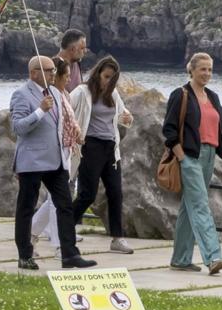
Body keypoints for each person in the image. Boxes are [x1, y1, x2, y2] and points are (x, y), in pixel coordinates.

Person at [162, 52, 222, 275]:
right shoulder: (180, 95)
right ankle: (213, 257)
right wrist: (181, 157)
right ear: (192, 70)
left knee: (189, 209)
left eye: (210, 69)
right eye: (202, 69)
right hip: (189, 157)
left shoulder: (213, 97)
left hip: (210, 157)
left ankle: (180, 259)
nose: (207, 73)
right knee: (200, 205)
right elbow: (168, 129)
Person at [11, 55, 95, 270]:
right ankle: (25, 254)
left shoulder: (55, 93)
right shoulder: (21, 94)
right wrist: (40, 111)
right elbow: (18, 128)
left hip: (56, 161)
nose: (52, 74)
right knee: (26, 207)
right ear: (33, 73)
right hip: (32, 160)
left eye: (52, 70)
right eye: (47, 70)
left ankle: (69, 254)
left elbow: (60, 126)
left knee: (65, 205)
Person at [71, 55, 135, 254]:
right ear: (98, 73)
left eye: (112, 79)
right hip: (91, 146)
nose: (108, 81)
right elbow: (66, 110)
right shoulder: (82, 92)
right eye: (106, 76)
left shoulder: (113, 94)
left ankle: (117, 238)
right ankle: (65, 225)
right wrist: (75, 133)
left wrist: (127, 117)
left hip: (110, 148)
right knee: (87, 194)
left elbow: (124, 117)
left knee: (116, 192)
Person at [29, 56, 83, 250]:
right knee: (57, 200)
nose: (69, 79)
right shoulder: (50, 96)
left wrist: (76, 132)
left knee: (57, 198)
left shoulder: (63, 95)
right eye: (65, 76)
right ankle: (60, 244)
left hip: (66, 150)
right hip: (54, 152)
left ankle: (32, 232)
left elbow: (69, 120)